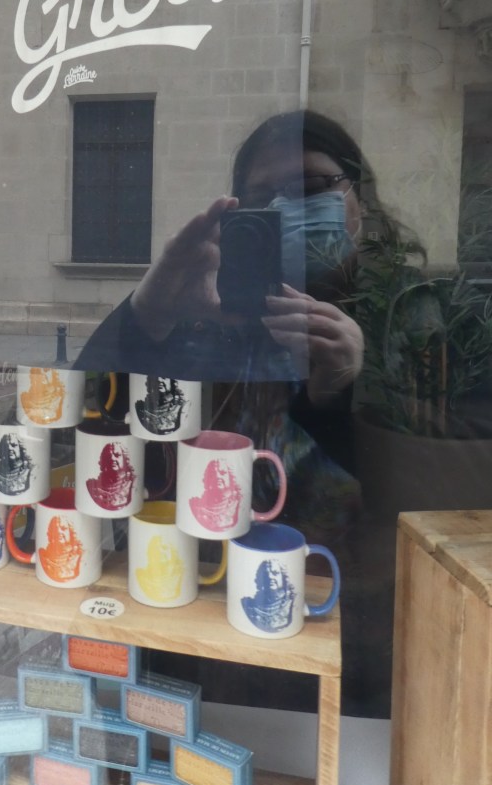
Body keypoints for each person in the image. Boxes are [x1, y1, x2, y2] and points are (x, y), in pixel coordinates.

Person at [76, 109, 415, 715]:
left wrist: (347, 391)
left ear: (359, 200)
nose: (286, 208)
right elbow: (87, 426)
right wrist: (150, 311)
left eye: (311, 187)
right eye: (261, 200)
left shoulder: (410, 316)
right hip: (194, 624)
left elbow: (426, 504)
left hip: (347, 634)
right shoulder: (208, 315)